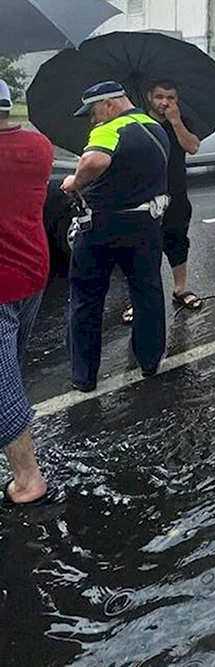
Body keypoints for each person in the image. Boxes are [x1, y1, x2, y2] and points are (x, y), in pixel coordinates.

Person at [62, 81, 170, 392]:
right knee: (147, 291)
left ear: (109, 104)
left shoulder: (111, 127)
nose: (92, 119)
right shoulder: (155, 128)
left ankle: (84, 376)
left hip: (102, 226)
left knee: (87, 297)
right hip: (146, 224)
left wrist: (74, 181)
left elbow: (95, 161)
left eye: (93, 111)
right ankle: (149, 362)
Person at [0, 79, 51, 504]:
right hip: (33, 270)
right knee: (10, 365)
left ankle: (28, 479)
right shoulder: (40, 147)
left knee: (2, 382)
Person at [120, 80, 203, 324]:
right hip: (143, 198)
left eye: (171, 97)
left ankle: (180, 290)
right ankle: (139, 299)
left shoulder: (182, 121)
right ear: (149, 97)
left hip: (176, 194)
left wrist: (176, 122)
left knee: (178, 241)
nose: (164, 102)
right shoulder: (136, 122)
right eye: (159, 96)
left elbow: (193, 147)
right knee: (143, 249)